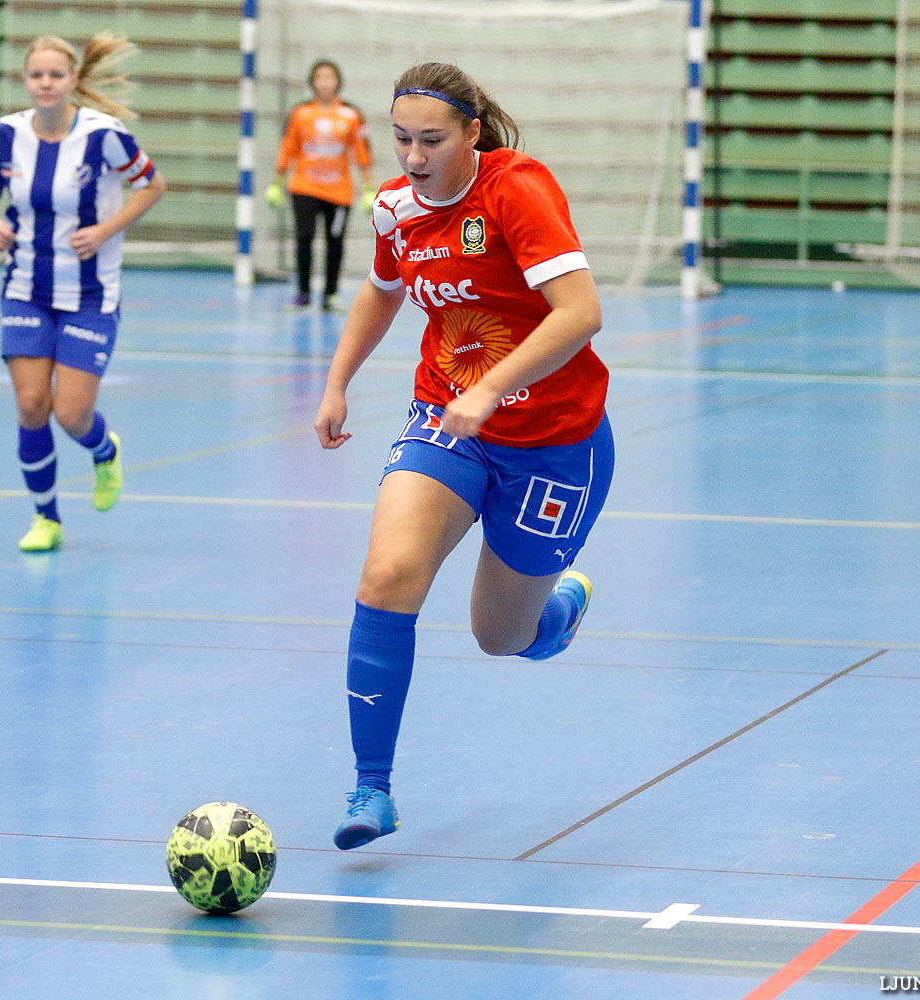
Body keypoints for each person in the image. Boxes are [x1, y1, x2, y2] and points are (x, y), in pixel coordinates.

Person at [313, 62, 615, 850]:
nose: (414, 157)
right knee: (387, 576)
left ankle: (556, 610)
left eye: (432, 141)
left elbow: (581, 311)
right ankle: (370, 790)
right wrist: (337, 380)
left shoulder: (518, 190)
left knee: (500, 638)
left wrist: (493, 389)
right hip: (446, 425)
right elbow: (383, 289)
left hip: (556, 444)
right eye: (402, 139)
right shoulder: (395, 209)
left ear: (472, 133)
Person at [0, 33, 167, 552]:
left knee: (71, 414)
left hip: (92, 293)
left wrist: (105, 230)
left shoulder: (104, 136)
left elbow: (152, 185)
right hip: (25, 288)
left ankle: (104, 451)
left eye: (56, 75)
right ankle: (46, 518)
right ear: (26, 80)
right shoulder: (7, 135)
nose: (46, 83)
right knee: (32, 406)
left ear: (73, 80)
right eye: (37, 75)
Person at [266, 59, 374, 311]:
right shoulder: (300, 113)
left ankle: (330, 295)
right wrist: (277, 181)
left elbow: (362, 152)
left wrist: (369, 187)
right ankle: (303, 293)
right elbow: (288, 148)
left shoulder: (351, 114)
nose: (325, 82)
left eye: (330, 77)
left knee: (334, 241)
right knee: (304, 238)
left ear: (338, 82)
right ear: (312, 82)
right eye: (320, 77)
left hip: (339, 192)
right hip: (304, 188)